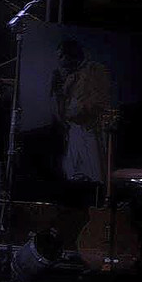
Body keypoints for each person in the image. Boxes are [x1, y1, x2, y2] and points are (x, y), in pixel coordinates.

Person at [50, 38, 111, 183]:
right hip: (74, 131)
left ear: (70, 54)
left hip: (91, 130)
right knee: (72, 172)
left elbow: (99, 101)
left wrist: (78, 110)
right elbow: (62, 111)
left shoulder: (94, 70)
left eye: (61, 56)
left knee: (94, 174)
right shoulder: (69, 77)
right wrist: (58, 92)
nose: (59, 61)